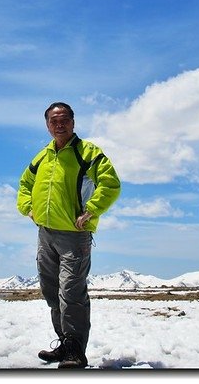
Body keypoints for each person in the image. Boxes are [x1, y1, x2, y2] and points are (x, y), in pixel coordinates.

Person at [17, 102, 121, 369]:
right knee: (51, 291)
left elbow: (111, 183)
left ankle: (76, 350)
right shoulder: (42, 157)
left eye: (64, 120)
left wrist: (92, 210)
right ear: (47, 125)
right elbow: (25, 185)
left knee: (71, 291)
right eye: (53, 121)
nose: (59, 124)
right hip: (45, 234)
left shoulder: (87, 153)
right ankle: (65, 344)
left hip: (75, 235)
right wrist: (28, 208)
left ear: (73, 122)